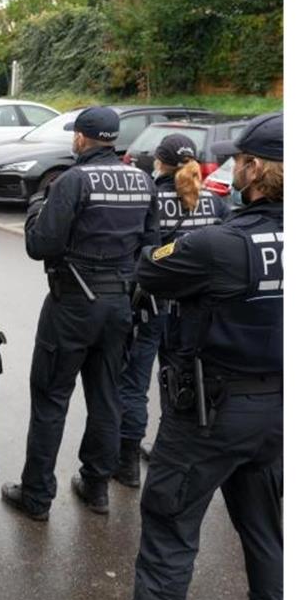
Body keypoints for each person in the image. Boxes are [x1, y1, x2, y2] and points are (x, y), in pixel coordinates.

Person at [82, 113, 283, 600]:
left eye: (240, 161)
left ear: (252, 169)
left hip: (213, 412)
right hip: (282, 409)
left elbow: (152, 267)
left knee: (171, 525)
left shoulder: (219, 244)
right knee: (265, 525)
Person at [3, 106, 158, 520]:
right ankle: (96, 487)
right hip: (120, 304)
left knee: (51, 398)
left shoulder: (72, 181)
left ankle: (36, 496)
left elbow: (40, 246)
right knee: (106, 396)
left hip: (72, 303)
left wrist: (37, 205)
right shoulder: (143, 180)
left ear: (81, 138)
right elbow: (151, 243)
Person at [114, 133, 230, 486]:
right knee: (182, 380)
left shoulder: (148, 200)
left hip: (152, 305)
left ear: (159, 162)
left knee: (134, 384)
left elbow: (133, 252)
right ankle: (170, 451)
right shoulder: (214, 202)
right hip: (200, 310)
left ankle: (128, 465)